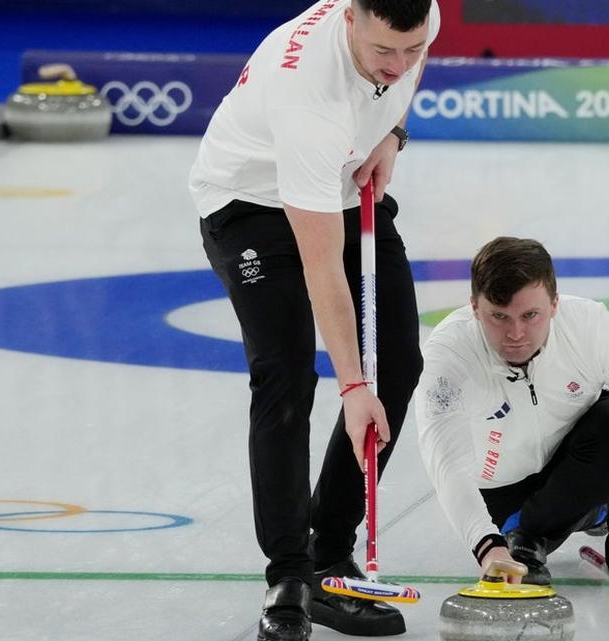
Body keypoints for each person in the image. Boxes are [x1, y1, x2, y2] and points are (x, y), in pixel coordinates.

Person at [189, 1, 439, 639]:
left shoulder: (413, 21)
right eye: (385, 51)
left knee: (401, 363)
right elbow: (322, 269)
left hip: (343, 171)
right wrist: (352, 387)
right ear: (351, 20)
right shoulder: (309, 102)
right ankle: (290, 574)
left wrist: (392, 134)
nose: (400, 64)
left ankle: (330, 554)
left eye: (411, 49)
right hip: (251, 200)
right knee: (287, 372)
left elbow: (413, 59)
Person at [415, 237, 609, 587]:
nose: (515, 334)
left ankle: (576, 520)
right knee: (507, 514)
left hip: (576, 457)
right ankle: (532, 532)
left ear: (555, 304)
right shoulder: (449, 355)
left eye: (531, 315)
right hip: (500, 494)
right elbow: (446, 465)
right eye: (499, 316)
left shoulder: (590, 329)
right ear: (474, 307)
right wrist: (487, 546)